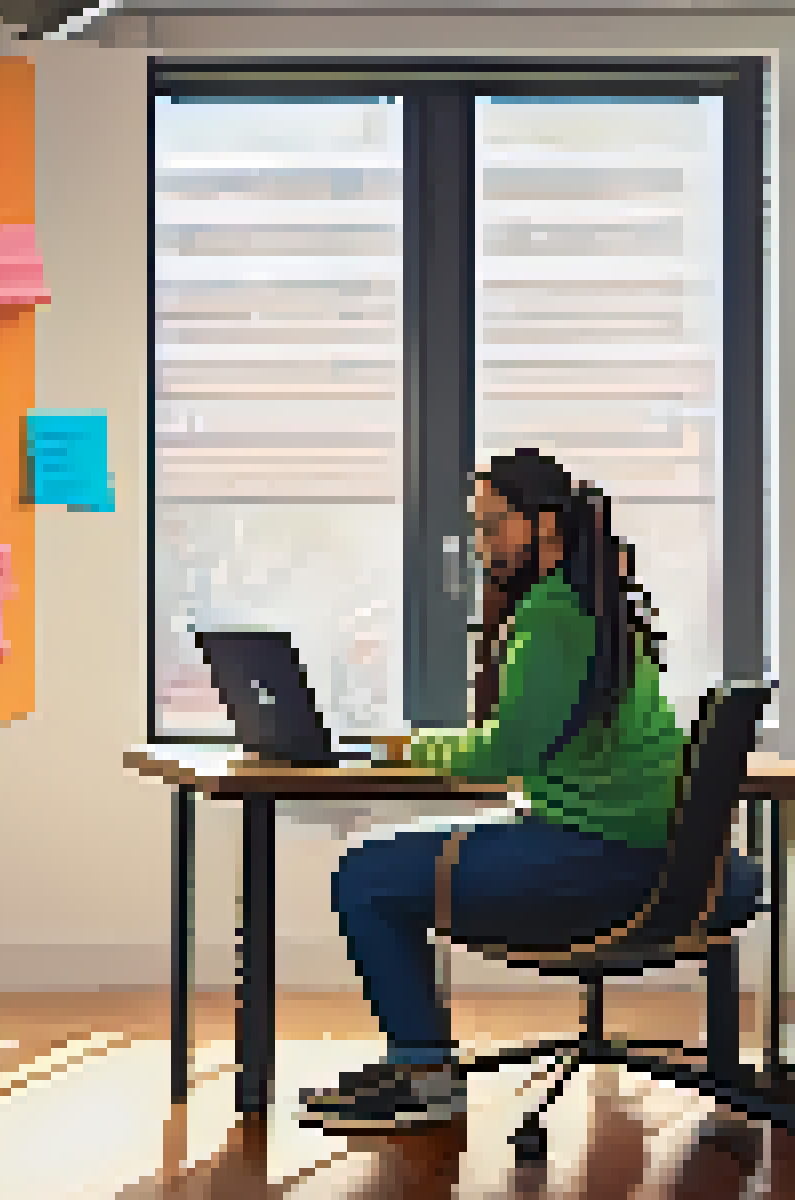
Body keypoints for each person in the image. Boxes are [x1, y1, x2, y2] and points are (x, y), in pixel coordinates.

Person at [300, 448, 762, 1134]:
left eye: (493, 527)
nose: (483, 546)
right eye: (478, 529)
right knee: (392, 859)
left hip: (602, 861)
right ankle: (421, 1066)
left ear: (545, 525)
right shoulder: (595, 606)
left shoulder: (550, 614)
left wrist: (404, 746)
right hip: (675, 869)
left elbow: (505, 754)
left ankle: (424, 1075)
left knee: (365, 875)